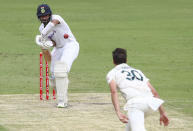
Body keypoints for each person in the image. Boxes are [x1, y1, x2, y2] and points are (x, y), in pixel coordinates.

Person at [106, 48, 169, 131]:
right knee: (129, 128)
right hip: (151, 103)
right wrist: (162, 112)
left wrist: (118, 112)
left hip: (136, 105)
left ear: (113, 61)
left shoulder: (112, 73)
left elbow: (114, 92)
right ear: (126, 60)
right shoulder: (137, 72)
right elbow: (154, 92)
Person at [35, 4, 79, 108]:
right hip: (58, 48)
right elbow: (52, 47)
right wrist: (44, 46)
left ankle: (62, 102)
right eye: (42, 16)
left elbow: (53, 24)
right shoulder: (41, 28)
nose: (44, 18)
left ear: (50, 14)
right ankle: (64, 92)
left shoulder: (56, 18)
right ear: (39, 17)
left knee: (61, 69)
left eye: (46, 15)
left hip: (70, 45)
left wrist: (42, 36)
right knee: (53, 76)